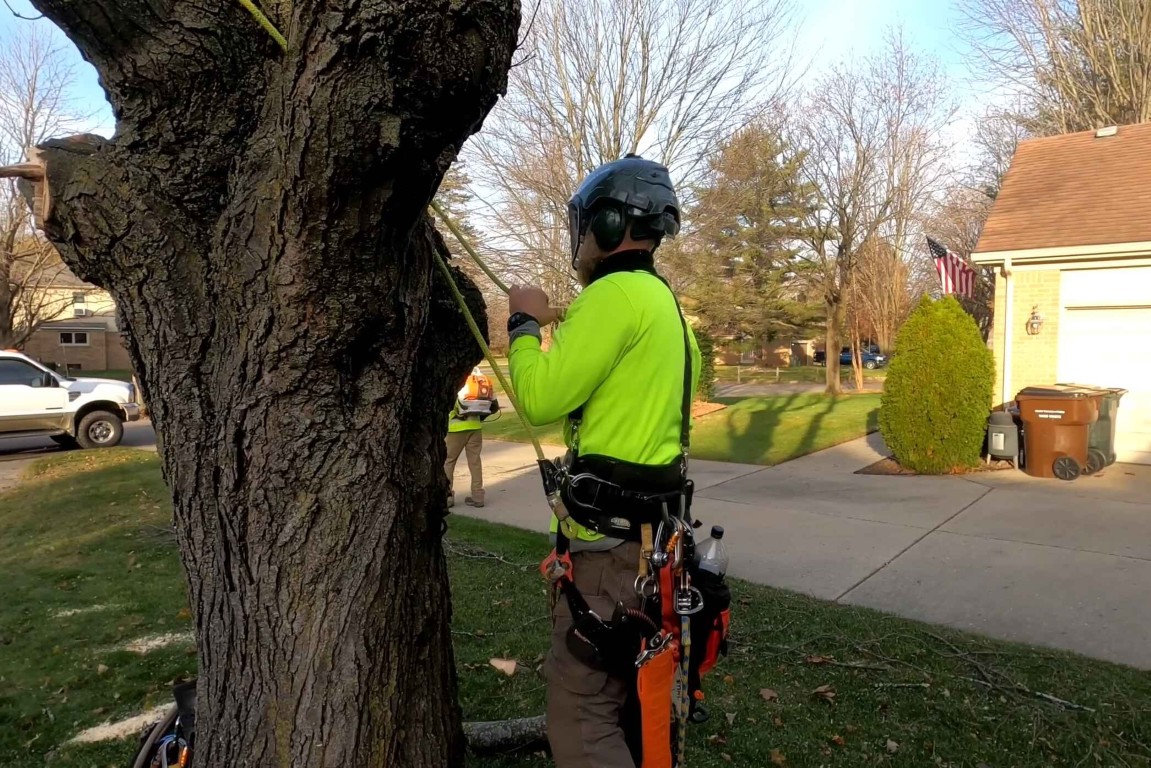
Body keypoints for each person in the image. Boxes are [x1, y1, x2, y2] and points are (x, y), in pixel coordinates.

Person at [507, 154, 701, 768]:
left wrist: (523, 324)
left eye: (586, 224)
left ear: (613, 223)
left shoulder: (612, 296)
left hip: (609, 556)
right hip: (649, 546)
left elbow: (539, 398)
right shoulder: (664, 307)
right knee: (624, 701)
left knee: (581, 718)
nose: (581, 240)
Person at [445, 367, 493, 508]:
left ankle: (447, 497)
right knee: (475, 462)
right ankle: (478, 496)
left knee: (449, 462)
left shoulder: (456, 378)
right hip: (475, 427)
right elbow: (492, 404)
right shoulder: (479, 376)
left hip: (455, 428)